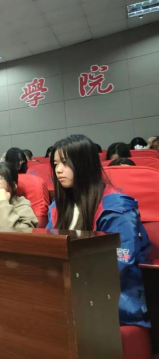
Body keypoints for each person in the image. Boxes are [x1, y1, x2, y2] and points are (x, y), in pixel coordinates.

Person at [47, 134, 150, 327]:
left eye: (65, 163)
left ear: (84, 164)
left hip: (113, 296)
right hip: (70, 288)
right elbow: (48, 250)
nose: (58, 170)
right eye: (55, 164)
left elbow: (118, 264)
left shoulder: (116, 207)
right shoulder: (57, 207)